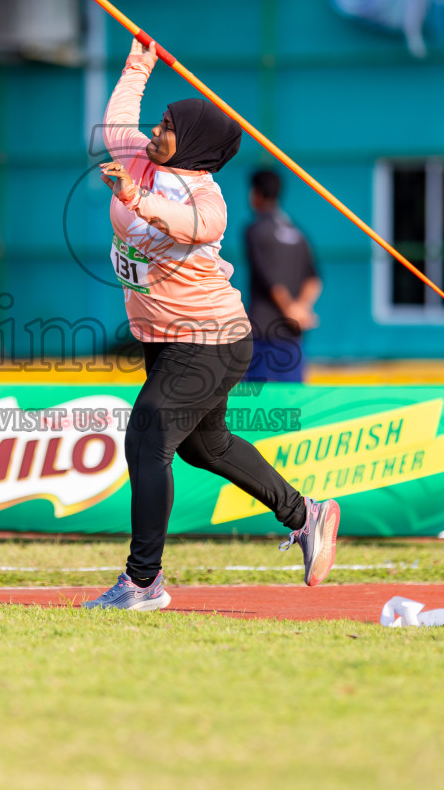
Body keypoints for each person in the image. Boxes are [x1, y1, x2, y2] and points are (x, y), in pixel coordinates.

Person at [82, 39, 339, 612]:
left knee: (148, 436)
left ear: (194, 145)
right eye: (163, 120)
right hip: (166, 338)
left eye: (169, 127)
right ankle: (307, 514)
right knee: (206, 445)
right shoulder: (141, 157)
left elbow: (194, 226)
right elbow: (120, 117)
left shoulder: (206, 196)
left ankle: (143, 583)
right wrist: (138, 60)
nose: (156, 130)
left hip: (211, 341)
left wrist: (137, 202)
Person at [243, 169, 322, 383]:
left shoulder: (255, 230)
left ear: (256, 194)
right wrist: (301, 309)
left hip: (263, 332)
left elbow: (268, 277)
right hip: (293, 333)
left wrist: (290, 308)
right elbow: (314, 278)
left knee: (257, 408)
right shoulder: (297, 232)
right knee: (292, 405)